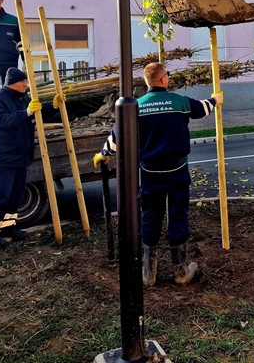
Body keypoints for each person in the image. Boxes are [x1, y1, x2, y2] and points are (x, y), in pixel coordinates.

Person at [94, 62, 223, 286]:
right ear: (163, 79)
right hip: (177, 171)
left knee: (150, 217)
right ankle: (181, 271)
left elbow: (117, 136)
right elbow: (202, 109)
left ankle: (148, 273)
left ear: (147, 82)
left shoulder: (136, 106)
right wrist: (215, 100)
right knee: (178, 216)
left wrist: (103, 153)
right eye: (167, 75)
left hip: (150, 173)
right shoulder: (179, 102)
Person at [0, 67, 60, 246]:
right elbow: (1, 121)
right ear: (12, 83)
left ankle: (9, 227)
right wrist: (26, 113)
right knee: (0, 195)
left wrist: (53, 106)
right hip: (2, 157)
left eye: (25, 80)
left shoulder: (23, 97)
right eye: (22, 81)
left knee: (16, 194)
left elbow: (35, 114)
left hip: (20, 155)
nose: (26, 84)